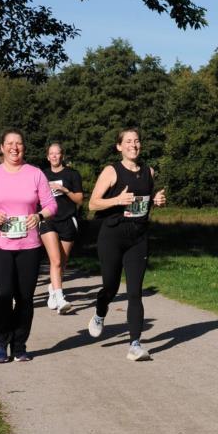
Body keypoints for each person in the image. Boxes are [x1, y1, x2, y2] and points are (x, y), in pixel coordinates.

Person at [0, 129, 57, 363]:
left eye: (18, 143)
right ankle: (0, 344)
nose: (14, 147)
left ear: (24, 148)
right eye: (9, 143)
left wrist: (39, 216)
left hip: (29, 246)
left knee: (25, 297)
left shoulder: (35, 174)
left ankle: (19, 345)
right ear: (1, 147)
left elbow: (50, 205)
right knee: (4, 294)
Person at [87, 128, 166, 361]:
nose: (134, 144)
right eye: (128, 141)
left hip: (138, 239)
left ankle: (135, 344)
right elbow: (93, 204)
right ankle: (100, 312)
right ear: (119, 146)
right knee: (110, 287)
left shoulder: (148, 172)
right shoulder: (112, 171)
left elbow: (145, 201)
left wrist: (157, 200)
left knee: (134, 292)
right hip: (112, 236)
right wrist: (117, 200)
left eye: (137, 141)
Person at [40, 142, 84, 314]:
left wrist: (64, 189)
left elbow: (80, 200)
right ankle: (60, 298)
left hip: (67, 220)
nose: (54, 156)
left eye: (57, 153)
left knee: (62, 262)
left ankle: (52, 289)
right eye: (51, 153)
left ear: (62, 156)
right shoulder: (42, 175)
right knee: (56, 260)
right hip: (48, 220)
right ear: (47, 156)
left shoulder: (72, 174)